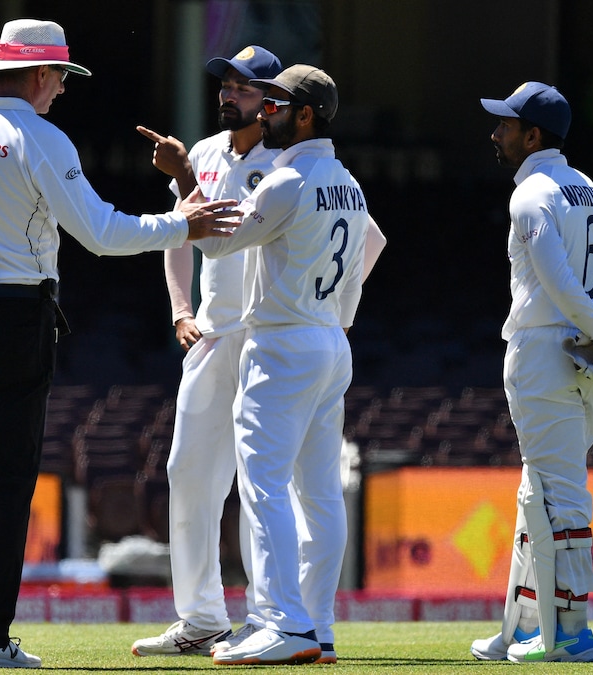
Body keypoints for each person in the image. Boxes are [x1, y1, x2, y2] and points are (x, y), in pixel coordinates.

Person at [0, 18, 239, 669]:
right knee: (10, 484)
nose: (63, 91)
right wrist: (180, 226)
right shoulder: (40, 136)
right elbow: (100, 231)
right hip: (18, 318)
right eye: (61, 78)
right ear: (40, 74)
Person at [131, 47, 387, 664]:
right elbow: (181, 234)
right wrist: (181, 311)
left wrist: (329, 316)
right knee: (194, 476)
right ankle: (208, 618)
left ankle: (276, 619)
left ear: (290, 109)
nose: (234, 96)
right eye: (230, 85)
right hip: (228, 333)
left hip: (273, 335)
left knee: (264, 485)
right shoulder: (247, 157)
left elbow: (367, 240)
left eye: (254, 91)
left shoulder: (288, 167)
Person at [189, 63, 369, 666]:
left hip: (283, 342)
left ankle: (282, 621)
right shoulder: (348, 181)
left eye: (275, 106)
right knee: (319, 495)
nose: (264, 113)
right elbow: (358, 271)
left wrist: (186, 178)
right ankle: (316, 623)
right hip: (328, 340)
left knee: (264, 485)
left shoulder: (285, 181)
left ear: (306, 115)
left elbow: (215, 242)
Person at [469, 81, 593, 663]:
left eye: (506, 126)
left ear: (533, 135)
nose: (497, 134)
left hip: (546, 353)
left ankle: (571, 636)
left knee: (559, 496)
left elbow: (558, 282)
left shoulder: (532, 195)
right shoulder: (590, 190)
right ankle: (519, 628)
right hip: (588, 360)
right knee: (535, 489)